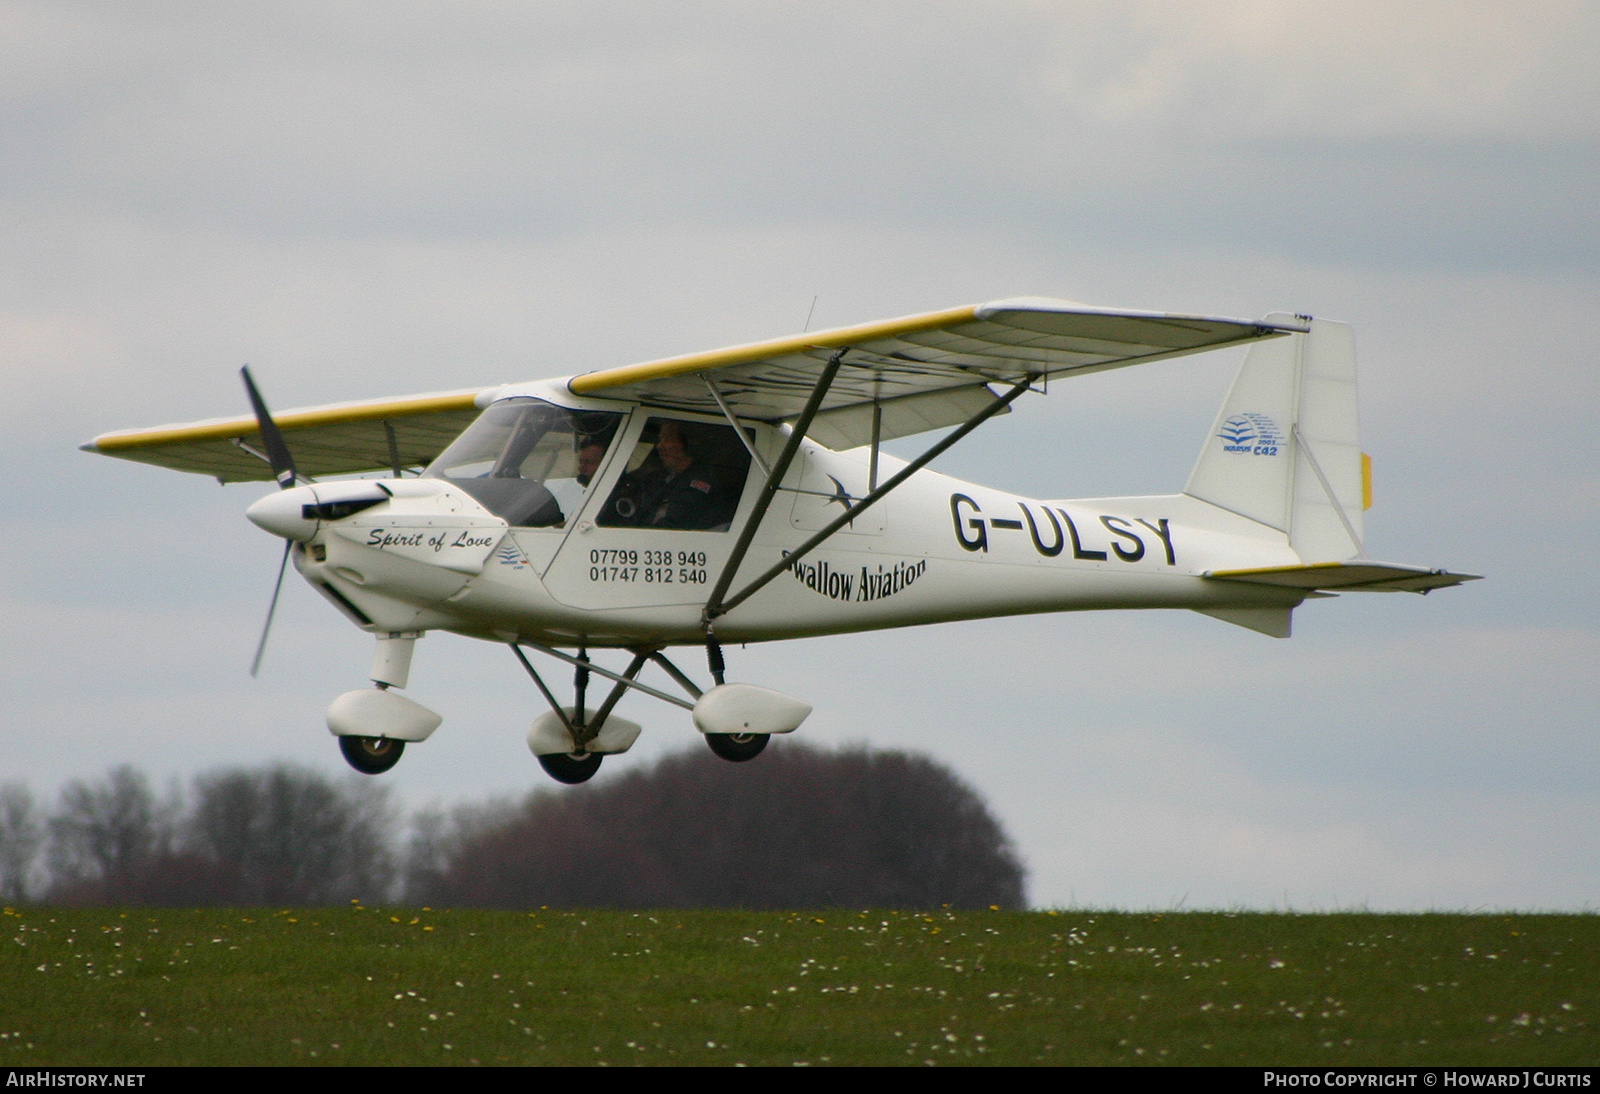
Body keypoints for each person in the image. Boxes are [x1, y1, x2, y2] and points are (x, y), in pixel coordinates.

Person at [604, 421, 729, 530]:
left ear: (687, 445)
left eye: (668, 439)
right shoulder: (659, 477)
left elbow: (672, 524)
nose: (660, 446)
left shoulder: (699, 482)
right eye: (660, 440)